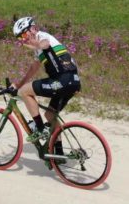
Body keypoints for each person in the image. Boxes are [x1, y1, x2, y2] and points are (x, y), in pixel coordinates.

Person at [10, 17, 81, 155]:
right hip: (73, 81)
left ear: (33, 28)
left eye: (24, 35)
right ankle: (59, 154)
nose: (23, 39)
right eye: (20, 38)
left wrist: (36, 44)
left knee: (25, 92)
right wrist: (18, 84)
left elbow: (45, 44)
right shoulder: (38, 50)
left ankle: (40, 129)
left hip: (62, 80)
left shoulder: (42, 36)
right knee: (50, 115)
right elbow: (34, 68)